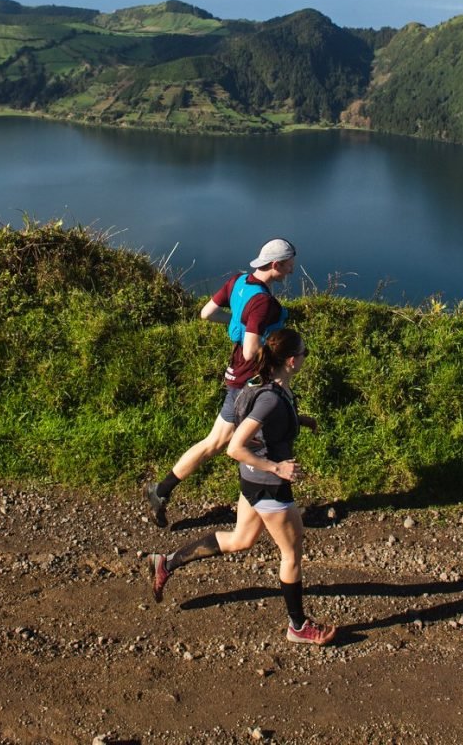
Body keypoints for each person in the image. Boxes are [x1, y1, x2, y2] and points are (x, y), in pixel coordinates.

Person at [147, 328, 336, 645]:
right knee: (291, 554)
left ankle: (167, 562)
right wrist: (278, 467)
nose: (306, 357)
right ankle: (298, 626)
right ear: (291, 361)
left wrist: (301, 420)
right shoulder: (270, 399)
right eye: (305, 353)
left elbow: (267, 419)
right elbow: (235, 446)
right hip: (269, 487)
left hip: (252, 482)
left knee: (241, 539)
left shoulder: (270, 387)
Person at [143, 238, 297, 528]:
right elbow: (252, 350)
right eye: (289, 265)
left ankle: (163, 492)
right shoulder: (263, 303)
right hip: (247, 385)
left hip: (236, 376)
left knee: (223, 442)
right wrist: (272, 344)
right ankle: (267, 510)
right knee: (234, 442)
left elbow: (207, 313)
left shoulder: (238, 282)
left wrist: (234, 322)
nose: (291, 270)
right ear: (275, 264)